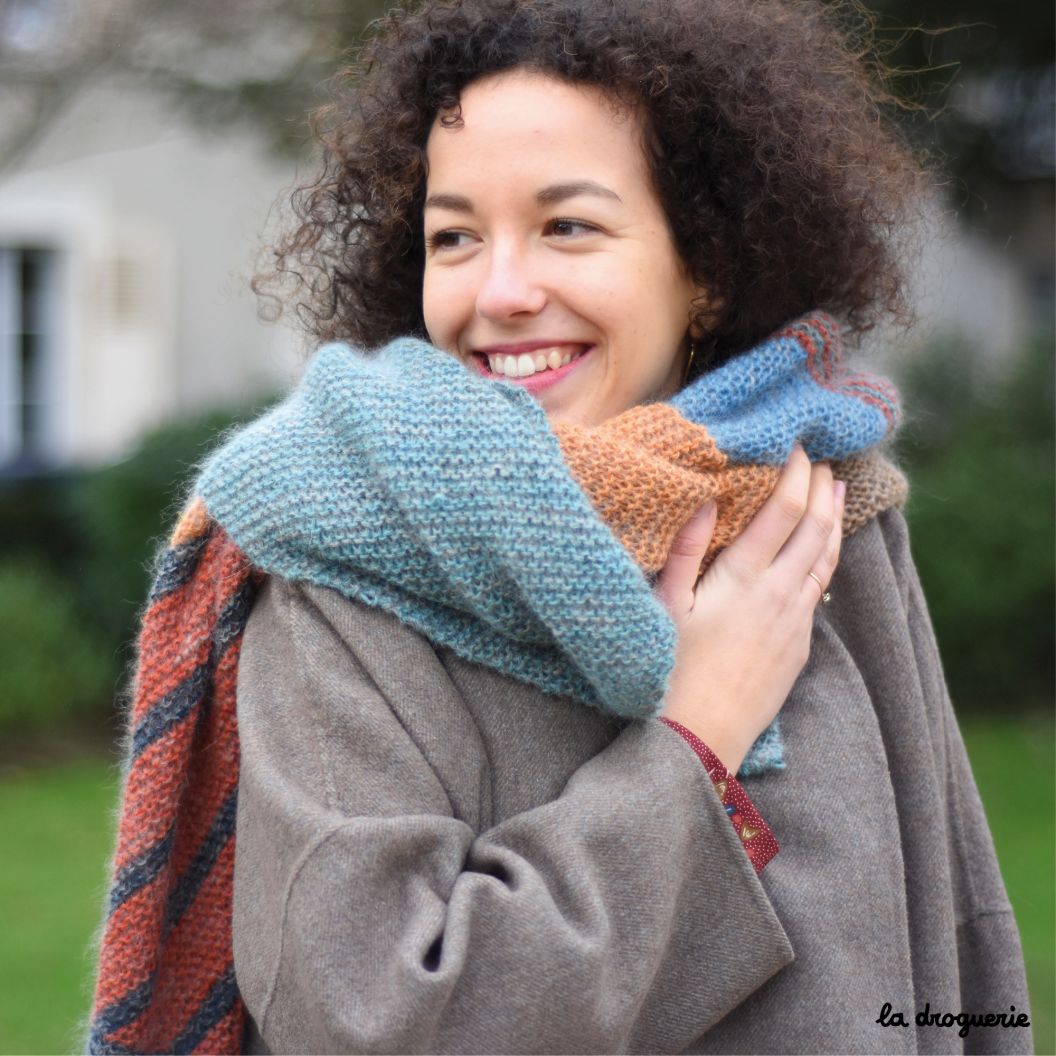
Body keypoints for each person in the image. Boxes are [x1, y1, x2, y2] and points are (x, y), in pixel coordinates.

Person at [89, 0, 1032, 1053]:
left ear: (706, 266)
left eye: (567, 226)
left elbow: (955, 935)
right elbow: (375, 1021)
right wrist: (696, 741)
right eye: (454, 237)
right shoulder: (339, 562)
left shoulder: (821, 510)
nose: (500, 291)